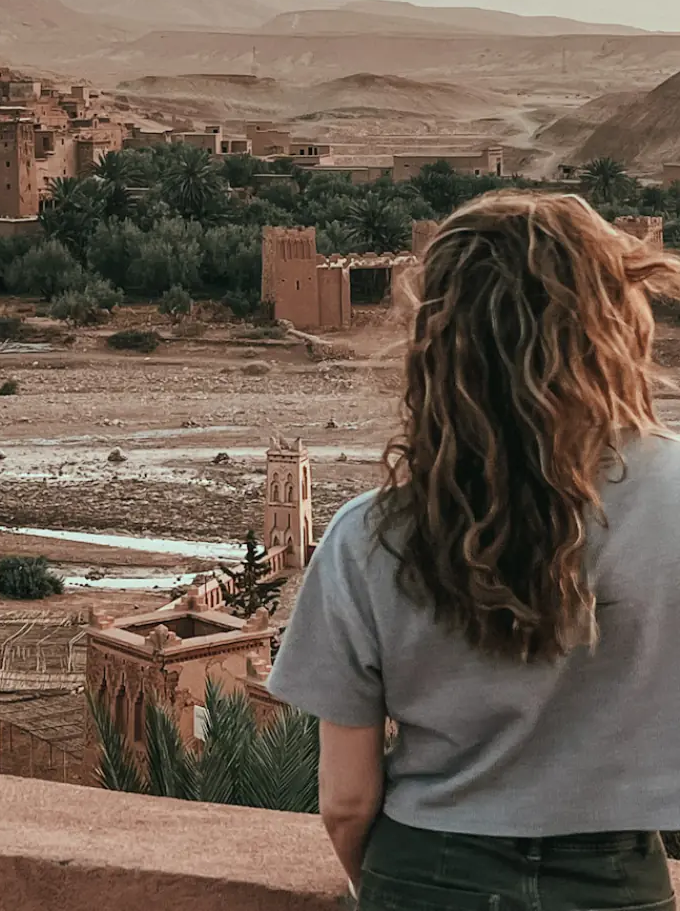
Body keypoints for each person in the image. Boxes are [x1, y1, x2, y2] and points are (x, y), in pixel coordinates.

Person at [268, 192, 680, 911]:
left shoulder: (369, 535)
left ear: (437, 340)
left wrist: (402, 890)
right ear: (612, 322)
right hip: (617, 882)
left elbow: (346, 800)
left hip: (425, 866)